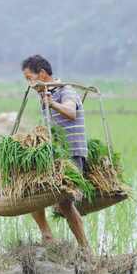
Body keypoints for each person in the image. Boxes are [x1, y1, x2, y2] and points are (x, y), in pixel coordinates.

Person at [21, 55, 89, 248]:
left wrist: (52, 103)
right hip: (54, 153)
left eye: (30, 78)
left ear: (42, 74)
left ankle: (85, 248)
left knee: (65, 203)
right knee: (31, 188)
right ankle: (47, 235)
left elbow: (70, 112)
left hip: (71, 153)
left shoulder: (66, 91)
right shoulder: (45, 96)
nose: (29, 83)